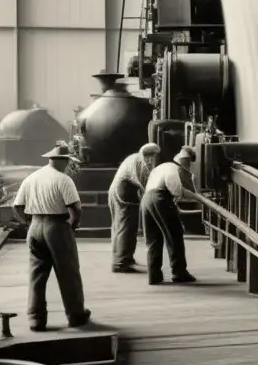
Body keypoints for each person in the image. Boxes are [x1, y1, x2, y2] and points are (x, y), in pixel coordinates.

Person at [11, 141, 91, 332]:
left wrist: (29, 223)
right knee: (68, 273)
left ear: (50, 159)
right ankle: (75, 315)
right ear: (63, 161)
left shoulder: (32, 178)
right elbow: (75, 210)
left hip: (35, 226)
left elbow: (16, 207)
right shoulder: (64, 180)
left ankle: (36, 319)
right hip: (57, 226)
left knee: (37, 274)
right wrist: (70, 227)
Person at [142, 146, 199, 286]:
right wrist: (198, 198)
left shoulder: (161, 167)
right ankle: (179, 272)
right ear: (184, 163)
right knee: (174, 234)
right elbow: (177, 190)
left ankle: (154, 275)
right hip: (160, 198)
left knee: (153, 238)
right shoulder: (173, 170)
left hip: (146, 200)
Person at [109, 142, 161, 273]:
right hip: (123, 193)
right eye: (148, 156)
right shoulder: (139, 163)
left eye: (152, 156)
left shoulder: (136, 158)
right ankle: (120, 264)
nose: (150, 159)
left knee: (123, 226)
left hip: (121, 191)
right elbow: (146, 188)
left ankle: (125, 258)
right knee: (126, 227)